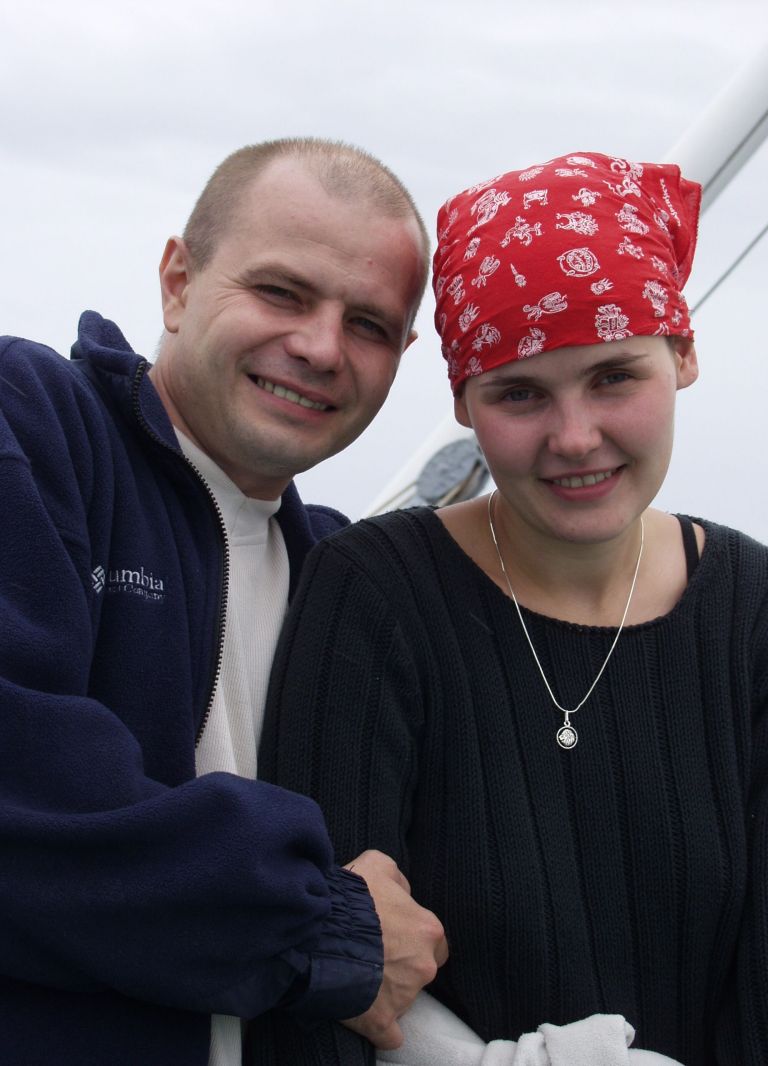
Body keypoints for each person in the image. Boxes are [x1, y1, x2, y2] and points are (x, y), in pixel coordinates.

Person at [262, 152, 768, 1064]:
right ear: (463, 402)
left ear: (683, 355)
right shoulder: (377, 596)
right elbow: (329, 984)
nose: (575, 437)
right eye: (519, 393)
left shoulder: (758, 614)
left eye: (614, 377)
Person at [0, 137, 448, 1066]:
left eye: (369, 324)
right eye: (282, 293)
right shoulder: (34, 428)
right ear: (178, 282)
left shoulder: (347, 578)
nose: (321, 347)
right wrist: (322, 927)